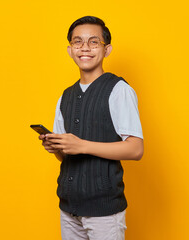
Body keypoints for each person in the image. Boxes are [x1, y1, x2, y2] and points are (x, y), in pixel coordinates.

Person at [38, 16, 143, 240]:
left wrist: (82, 145)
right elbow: (66, 156)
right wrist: (56, 147)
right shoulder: (65, 96)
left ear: (107, 50)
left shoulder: (119, 90)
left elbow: (135, 149)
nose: (85, 48)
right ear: (69, 50)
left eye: (94, 42)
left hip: (104, 211)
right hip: (68, 207)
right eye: (78, 42)